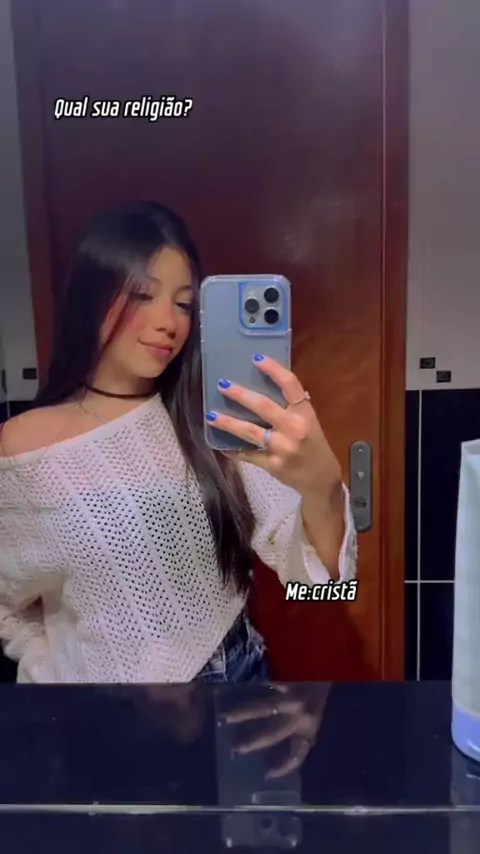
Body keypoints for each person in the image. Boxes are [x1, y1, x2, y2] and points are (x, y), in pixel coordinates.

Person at [0, 201, 357, 683]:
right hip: (96, 709)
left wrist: (323, 488)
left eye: (185, 304)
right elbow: (9, 604)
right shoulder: (22, 446)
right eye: (143, 295)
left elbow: (327, 588)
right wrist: (50, 673)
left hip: (232, 684)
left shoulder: (215, 423)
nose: (169, 322)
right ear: (92, 295)